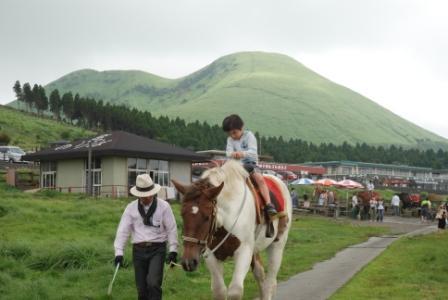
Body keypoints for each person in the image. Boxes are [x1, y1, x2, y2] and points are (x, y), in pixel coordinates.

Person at [114, 174, 178, 300]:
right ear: (138, 194)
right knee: (141, 289)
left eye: (148, 194)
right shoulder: (130, 208)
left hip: (157, 249)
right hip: (138, 251)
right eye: (142, 195)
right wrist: (119, 253)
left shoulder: (164, 207)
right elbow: (123, 231)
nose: (146, 197)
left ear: (153, 192)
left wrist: (173, 250)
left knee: (153, 283)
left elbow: (171, 229)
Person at [222, 114, 277, 217]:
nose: (232, 136)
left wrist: (242, 153)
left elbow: (253, 151)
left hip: (250, 164)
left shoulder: (249, 136)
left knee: (259, 179)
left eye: (234, 132)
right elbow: (228, 152)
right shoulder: (230, 140)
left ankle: (269, 204)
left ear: (241, 128)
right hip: (236, 165)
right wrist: (232, 154)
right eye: (230, 134)